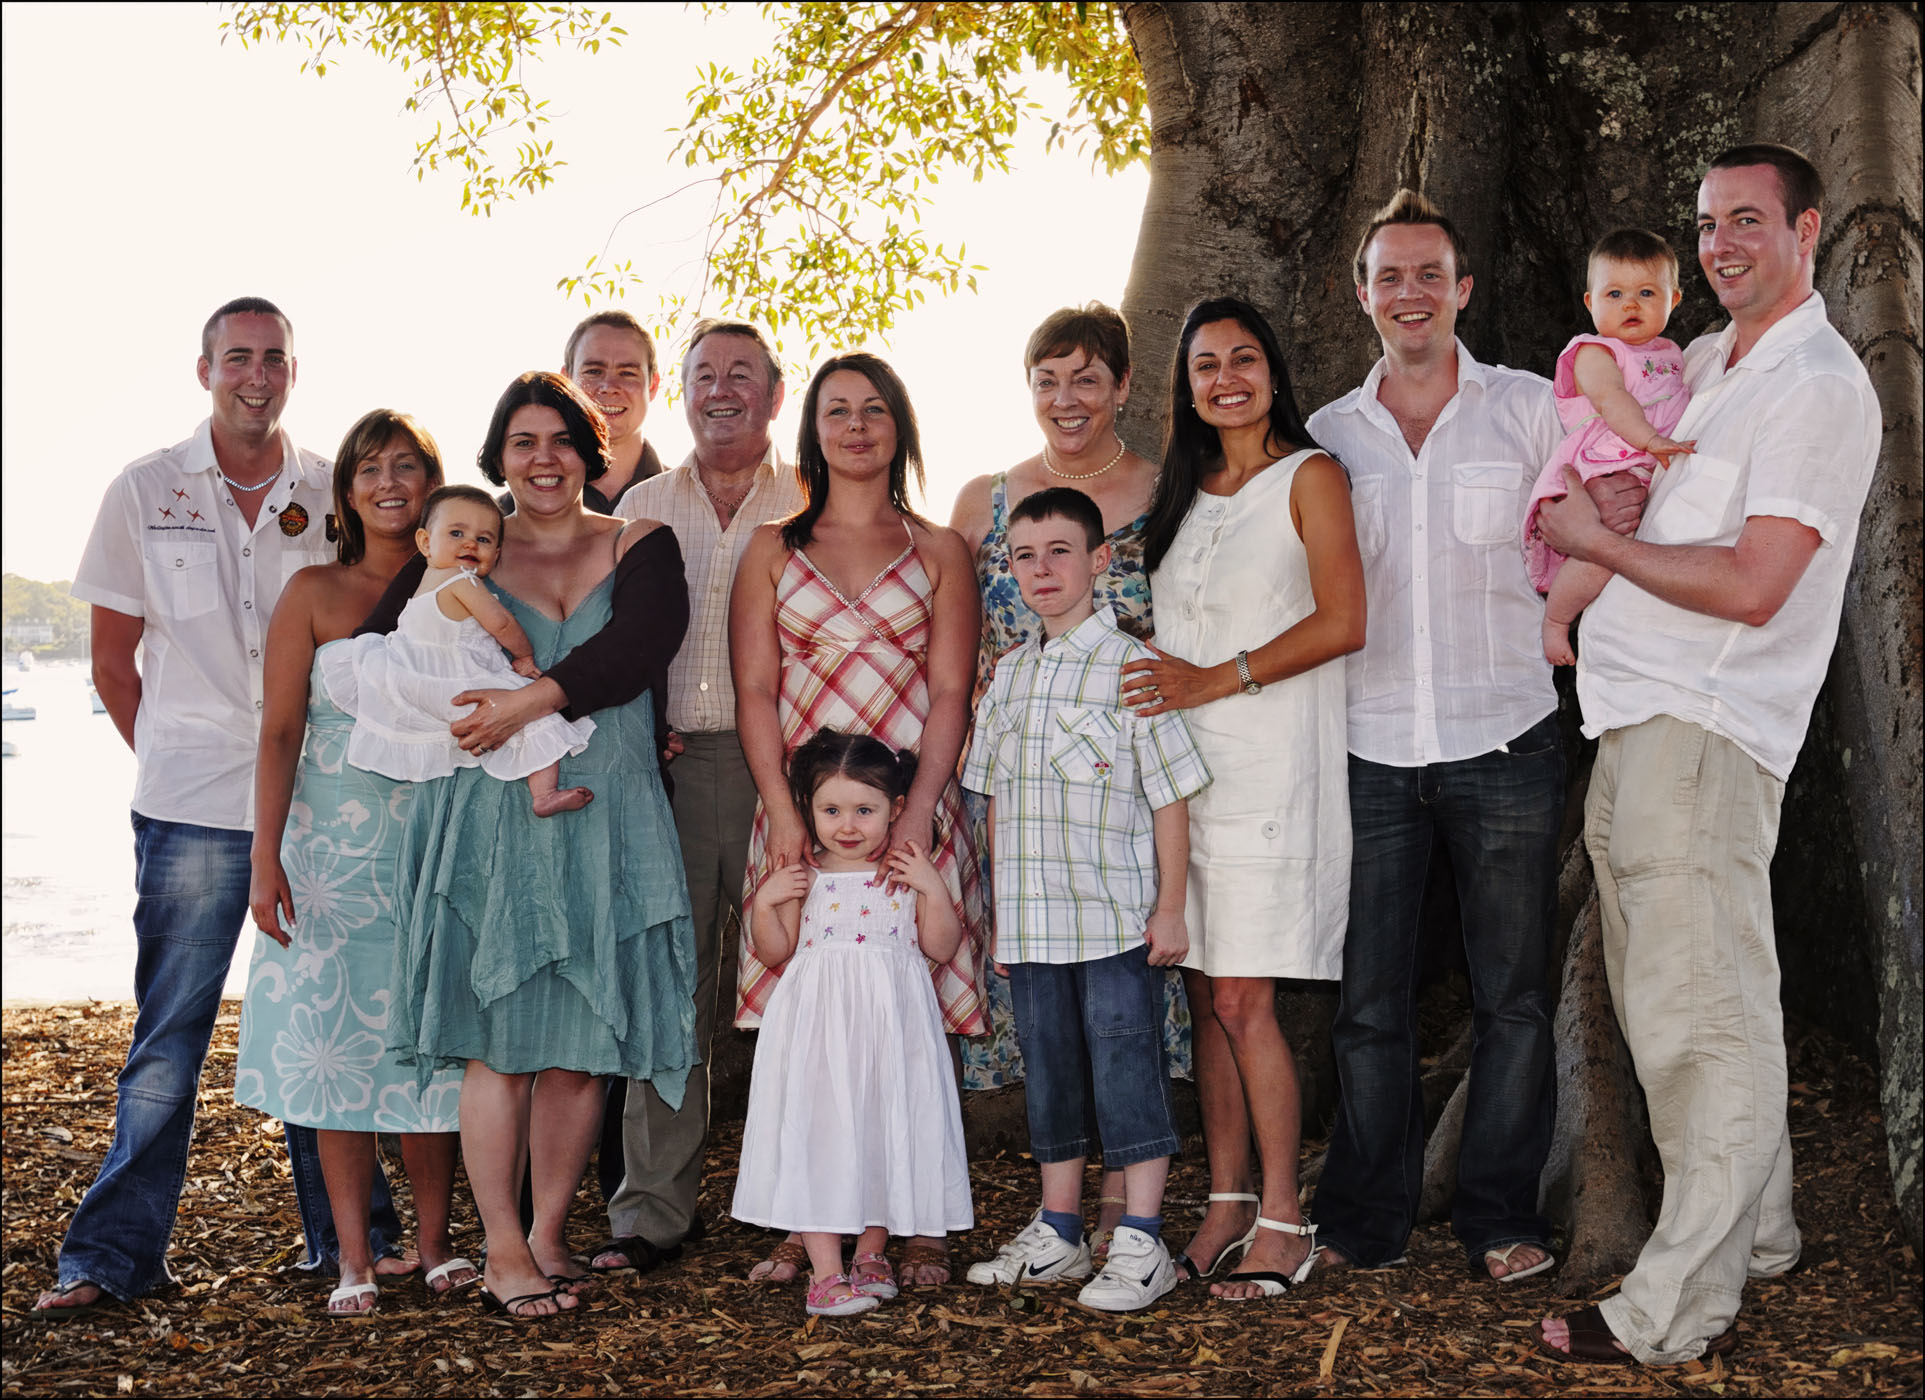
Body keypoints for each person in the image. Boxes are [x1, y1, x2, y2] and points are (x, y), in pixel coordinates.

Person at [1533, 143, 1879, 1366]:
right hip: (1634, 723)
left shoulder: (1815, 387)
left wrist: (1596, 547)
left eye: (1747, 219)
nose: (1721, 242)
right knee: (1677, 999)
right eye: (1705, 223)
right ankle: (1761, 1226)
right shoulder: (1692, 365)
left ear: (1809, 229)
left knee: (1699, 1020)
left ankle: (1673, 1302)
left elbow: (1751, 583)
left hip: (1706, 728)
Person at [1303, 190, 1646, 1286]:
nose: (1408, 293)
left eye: (1427, 273)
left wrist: (1571, 616)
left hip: (1507, 739)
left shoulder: (1531, 410)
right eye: (1387, 276)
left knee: (1513, 997)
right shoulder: (1325, 437)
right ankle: (1364, 1215)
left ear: (1462, 288)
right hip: (1364, 748)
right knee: (1366, 1003)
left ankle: (1499, 1215)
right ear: (1361, 296)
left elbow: (1617, 505)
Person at [36, 298, 338, 1320]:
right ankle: (112, 1256)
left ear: (294, 370)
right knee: (170, 1037)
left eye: (274, 358)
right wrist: (175, 756)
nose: (257, 374)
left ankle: (347, 1239)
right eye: (238, 357)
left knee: (321, 1023)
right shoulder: (143, 488)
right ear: (204, 367)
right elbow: (114, 664)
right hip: (191, 804)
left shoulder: (333, 487)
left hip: (316, 802)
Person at [378, 370, 696, 1321]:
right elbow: (382, 652)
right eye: (522, 442)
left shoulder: (641, 542)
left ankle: (553, 1233)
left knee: (579, 1047)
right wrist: (454, 716)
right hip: (492, 823)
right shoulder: (461, 554)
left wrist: (528, 698)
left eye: (560, 438)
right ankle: (503, 1248)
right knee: (500, 1044)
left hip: (610, 809)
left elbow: (641, 648)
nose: (543, 458)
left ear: (588, 451)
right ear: (498, 457)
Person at [1124, 297, 1366, 1300]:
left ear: (1273, 370)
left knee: (1243, 999)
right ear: (1184, 388)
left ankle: (1283, 1215)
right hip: (1188, 773)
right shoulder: (1184, 492)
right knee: (1202, 995)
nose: (1225, 378)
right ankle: (1222, 1202)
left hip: (1272, 766)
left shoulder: (1308, 476)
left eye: (1243, 358)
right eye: (1204, 366)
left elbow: (1344, 618)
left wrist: (1212, 678)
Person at [730, 350, 987, 1288]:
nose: (855, 426)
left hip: (909, 810)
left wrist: (919, 814)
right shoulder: (771, 546)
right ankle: (812, 1219)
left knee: (907, 1007)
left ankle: (916, 1223)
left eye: (874, 410)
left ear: (900, 427)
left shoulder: (937, 550)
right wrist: (780, 813)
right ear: (813, 429)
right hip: (807, 813)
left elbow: (953, 688)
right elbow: (757, 690)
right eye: (836, 410)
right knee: (815, 1016)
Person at [948, 302, 1177, 1263]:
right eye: (1049, 378)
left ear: (1123, 385)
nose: (1067, 397)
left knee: (1126, 1025)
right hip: (1022, 780)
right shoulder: (986, 501)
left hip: (1125, 780)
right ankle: (1058, 1221)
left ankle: (1137, 1223)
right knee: (1049, 1035)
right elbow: (959, 646)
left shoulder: (1170, 492)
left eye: (1088, 377)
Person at [237, 409, 473, 1317]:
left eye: (408, 467)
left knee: (432, 1046)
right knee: (335, 1057)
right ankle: (352, 1260)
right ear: (346, 490)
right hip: (329, 853)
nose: (389, 482)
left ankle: (435, 1245)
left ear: (430, 487)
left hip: (430, 844)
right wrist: (266, 861)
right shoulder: (311, 593)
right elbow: (280, 730)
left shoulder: (457, 585)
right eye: (370, 468)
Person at [960, 487, 1210, 1312]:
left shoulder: (1132, 669)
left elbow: (1170, 795)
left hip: (1109, 924)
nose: (1042, 570)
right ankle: (1059, 1232)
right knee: (1053, 1078)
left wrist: (1170, 908)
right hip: (1032, 928)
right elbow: (991, 798)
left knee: (1125, 1072)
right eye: (1024, 556)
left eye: (1060, 551)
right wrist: (997, 913)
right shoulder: (1008, 678)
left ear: (1099, 561)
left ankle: (1142, 1239)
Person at [595, 320, 805, 1276]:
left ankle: (806, 1200)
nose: (721, 390)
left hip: (790, 778)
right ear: (679, 391)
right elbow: (603, 645)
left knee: (800, 986)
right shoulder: (640, 505)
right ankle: (651, 1212)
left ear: (773, 392)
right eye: (702, 375)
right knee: (671, 991)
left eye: (741, 376)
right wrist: (638, 723)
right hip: (668, 775)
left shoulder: (810, 498)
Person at [731, 731, 972, 1318]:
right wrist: (764, 904)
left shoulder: (905, 872)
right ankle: (826, 1274)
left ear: (895, 809)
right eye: (831, 810)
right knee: (823, 1134)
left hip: (892, 1029)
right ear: (807, 810)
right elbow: (775, 950)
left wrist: (933, 888)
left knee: (882, 1127)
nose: (847, 825)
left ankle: (872, 1253)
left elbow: (941, 947)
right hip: (819, 1030)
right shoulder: (802, 876)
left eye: (865, 810)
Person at [321, 484, 596, 817]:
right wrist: (523, 657)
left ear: (496, 555)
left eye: (484, 539)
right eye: (456, 533)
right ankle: (544, 794)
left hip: (415, 681)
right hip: (459, 683)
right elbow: (501, 624)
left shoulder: (424, 582)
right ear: (425, 542)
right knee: (536, 711)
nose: (470, 543)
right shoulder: (460, 580)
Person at [1528, 229, 1696, 665]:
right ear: (1590, 303)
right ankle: (1557, 620)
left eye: (1646, 292)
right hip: (1608, 462)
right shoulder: (1594, 352)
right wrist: (1651, 440)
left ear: (1674, 300)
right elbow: (1613, 401)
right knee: (1606, 544)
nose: (1630, 304)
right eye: (1615, 293)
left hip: (1648, 465)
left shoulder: (1677, 354)